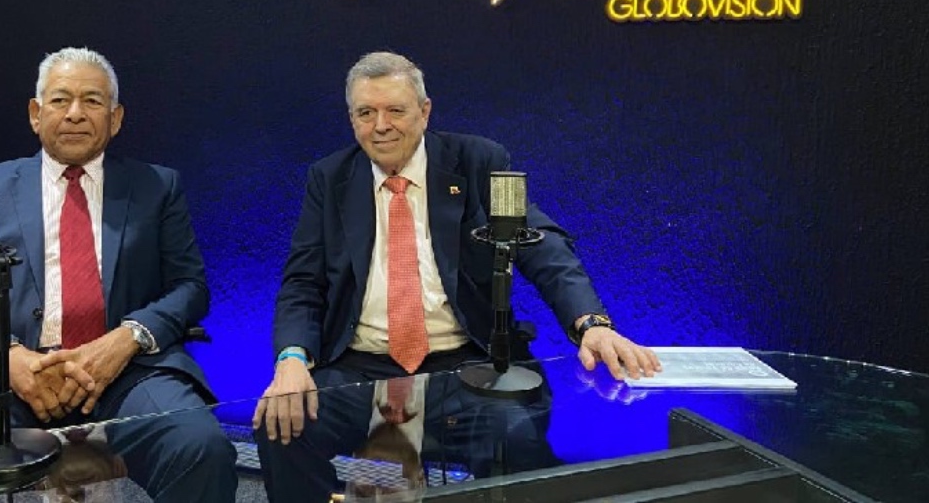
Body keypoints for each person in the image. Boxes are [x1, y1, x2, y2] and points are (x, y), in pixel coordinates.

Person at [253, 51, 660, 502]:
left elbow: (542, 246)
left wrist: (590, 324)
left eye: (395, 110)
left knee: (516, 436)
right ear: (352, 120)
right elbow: (303, 282)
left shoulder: (478, 161)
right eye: (366, 113)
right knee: (279, 425)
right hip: (358, 366)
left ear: (424, 112)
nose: (380, 125)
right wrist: (291, 358)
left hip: (466, 362)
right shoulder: (330, 178)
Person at [0, 47, 237, 502]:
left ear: (116, 118)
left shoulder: (157, 187)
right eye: (60, 100)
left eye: (92, 101)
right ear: (35, 114)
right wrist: (6, 358)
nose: (75, 113)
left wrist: (127, 338)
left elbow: (189, 287)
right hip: (3, 380)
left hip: (126, 375)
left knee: (201, 450)